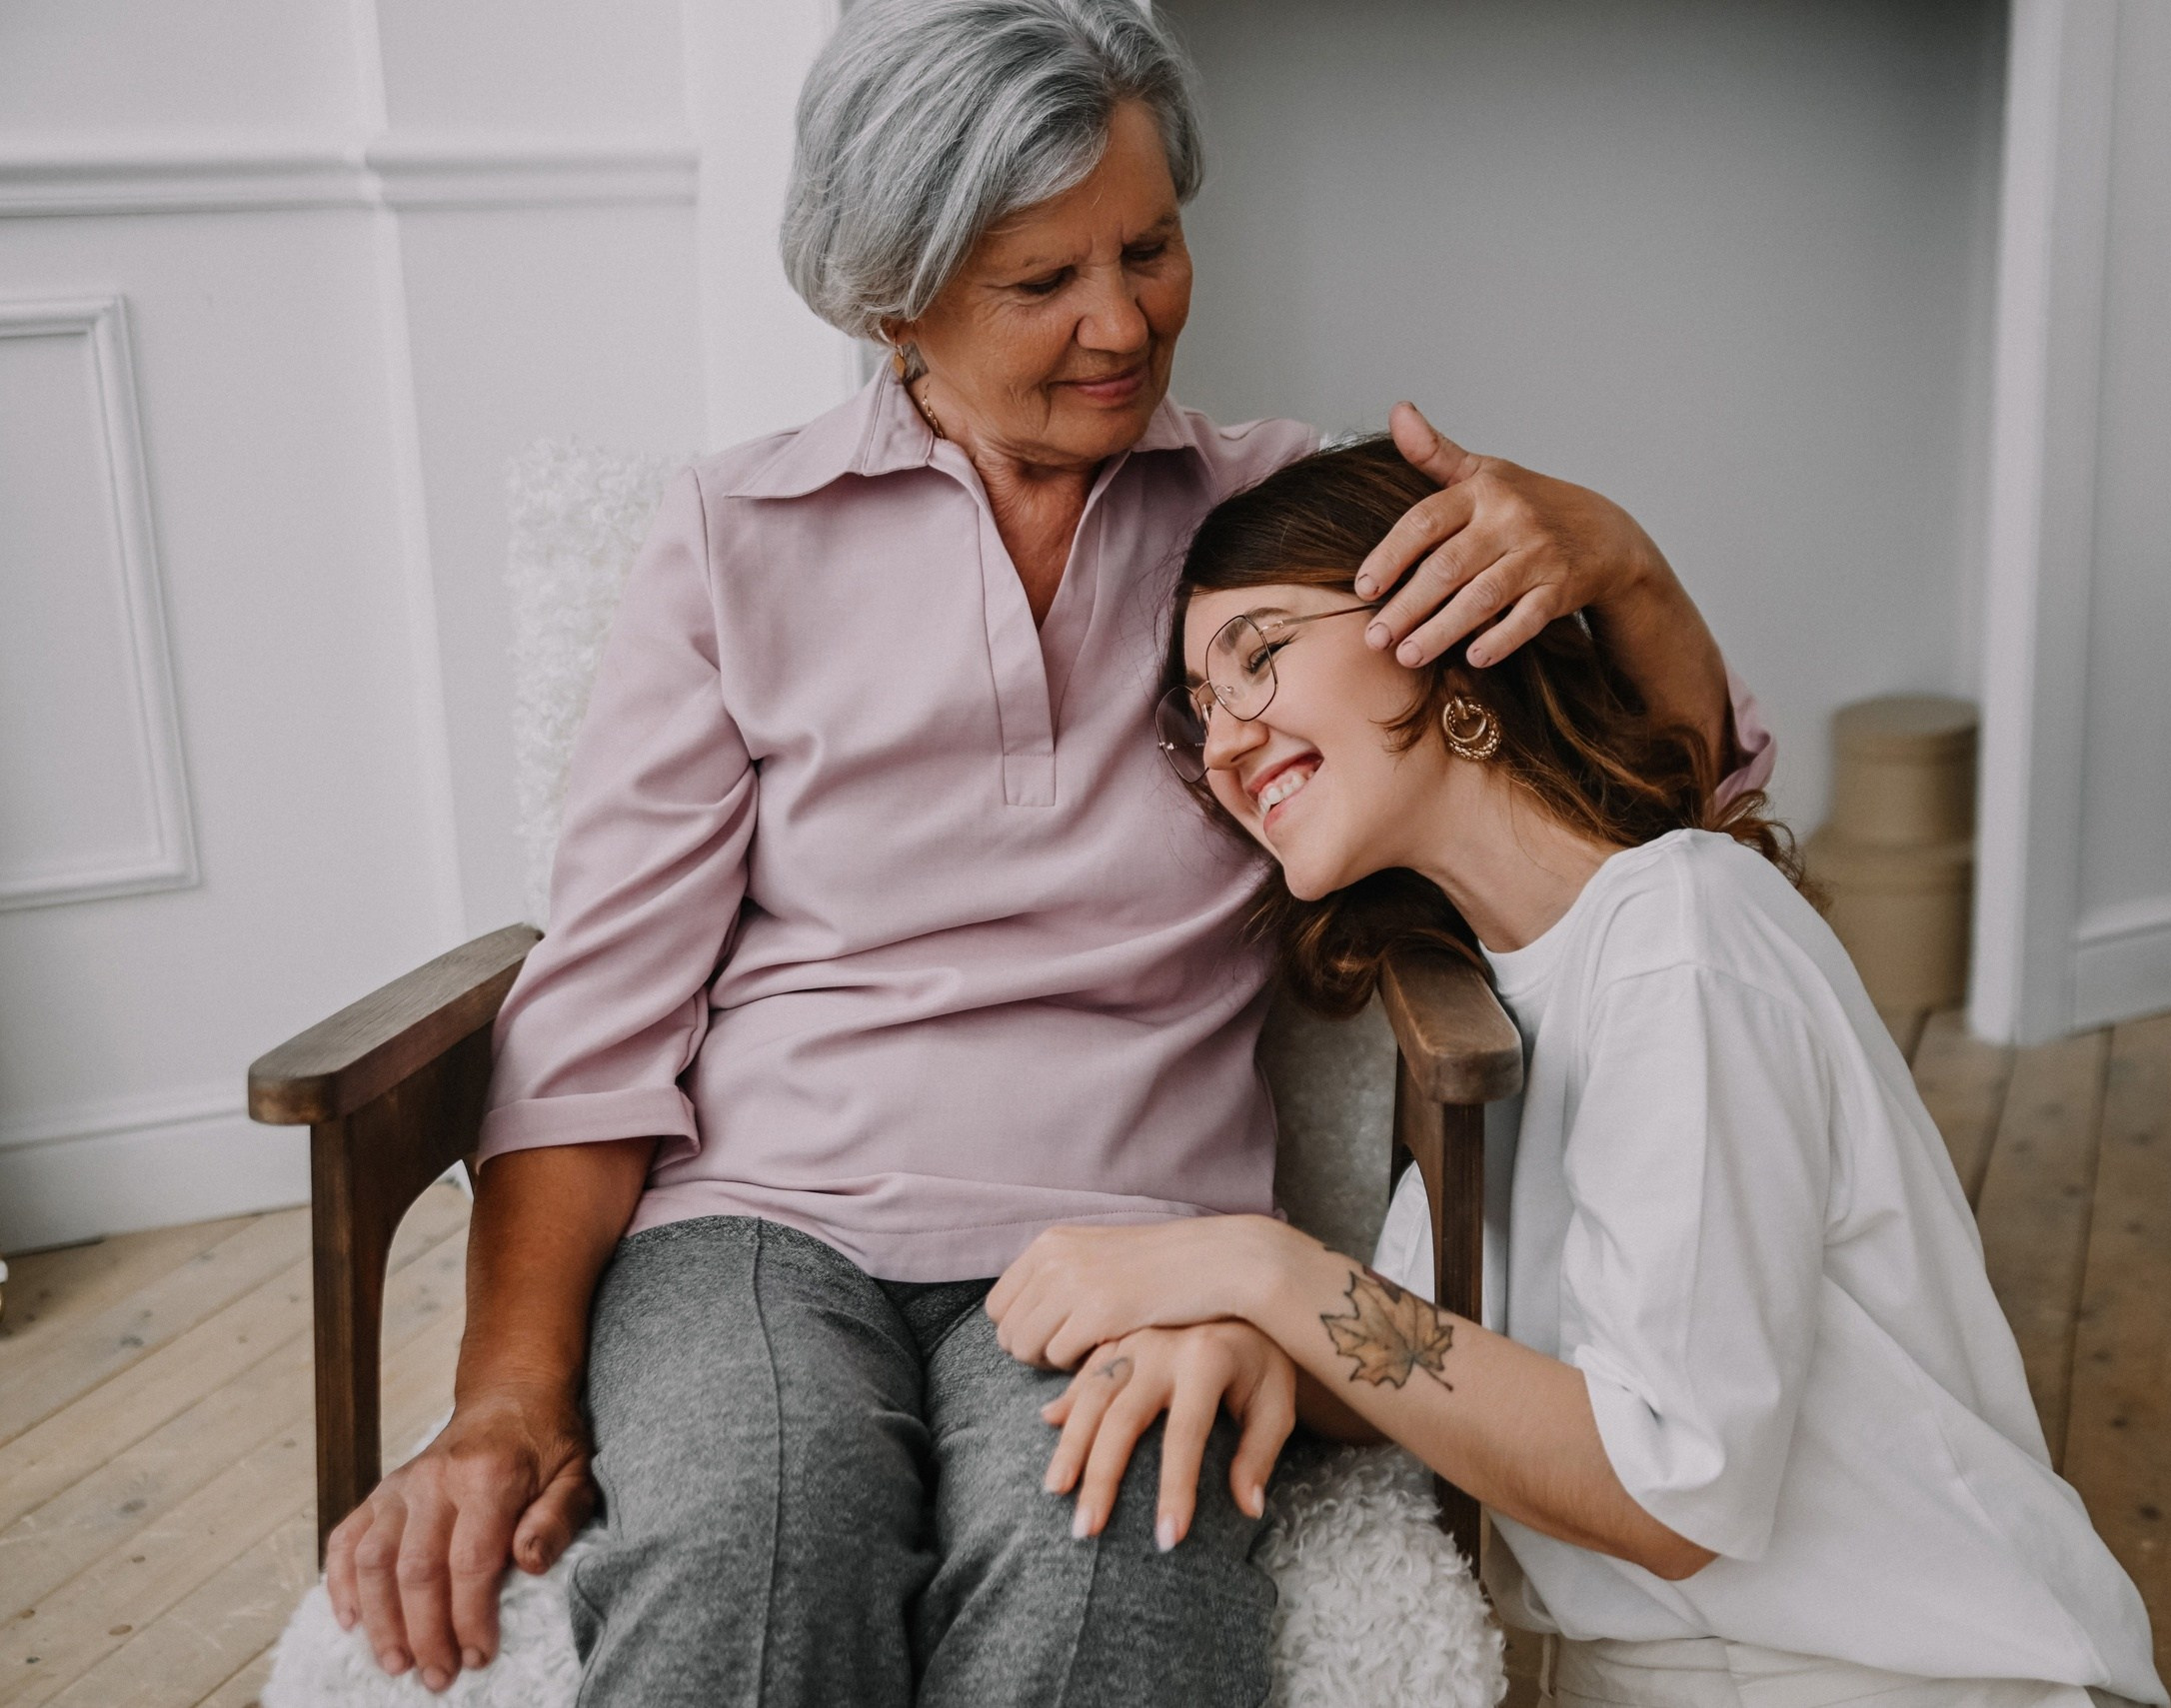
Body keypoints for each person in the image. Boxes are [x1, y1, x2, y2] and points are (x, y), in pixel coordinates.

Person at [317, 2, 1771, 1703]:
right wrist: (506, 1390)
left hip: (1141, 1230)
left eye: (1150, 247)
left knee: (1107, 1610)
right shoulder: (735, 539)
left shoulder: (1275, 533)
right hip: (763, 1224)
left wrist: (1629, 568)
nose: (1122, 320)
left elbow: (1655, 796)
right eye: (1040, 283)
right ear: (893, 302)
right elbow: (598, 1014)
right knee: (753, 1550)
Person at [988, 439, 2170, 1708]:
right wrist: (1243, 1329)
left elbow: (1674, 1489)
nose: (1226, 741)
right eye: (1201, 709)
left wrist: (1253, 1263)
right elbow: (1413, 1363)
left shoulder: (1681, 940)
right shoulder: (1489, 986)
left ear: (1442, 625)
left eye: (1261, 656)